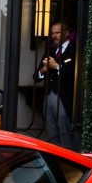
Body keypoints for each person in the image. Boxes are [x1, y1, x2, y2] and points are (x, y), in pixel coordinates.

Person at [36, 20, 77, 150]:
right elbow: (36, 76)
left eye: (57, 33)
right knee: (51, 128)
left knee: (65, 129)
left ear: (66, 33)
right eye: (53, 33)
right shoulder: (50, 50)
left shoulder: (74, 50)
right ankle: (56, 156)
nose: (54, 36)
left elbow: (76, 74)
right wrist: (43, 70)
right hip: (49, 95)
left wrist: (57, 66)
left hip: (65, 97)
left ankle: (69, 158)